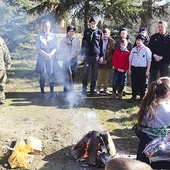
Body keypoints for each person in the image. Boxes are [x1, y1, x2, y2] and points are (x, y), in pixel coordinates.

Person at [135, 76, 170, 169]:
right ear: (168, 94)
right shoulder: (168, 110)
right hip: (161, 152)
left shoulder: (146, 107)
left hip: (144, 148)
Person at [81, 16, 104, 97]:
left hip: (96, 57)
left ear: (96, 23)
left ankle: (92, 91)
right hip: (87, 56)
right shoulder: (87, 31)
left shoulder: (99, 32)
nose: (93, 25)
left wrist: (101, 56)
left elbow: (101, 45)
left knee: (94, 75)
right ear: (89, 23)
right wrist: (82, 54)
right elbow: (83, 43)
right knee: (85, 74)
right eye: (91, 23)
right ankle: (83, 90)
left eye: (94, 23)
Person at [35, 20, 58, 99]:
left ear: (50, 27)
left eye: (48, 26)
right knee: (42, 75)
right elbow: (38, 48)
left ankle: (52, 93)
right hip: (42, 57)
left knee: (51, 75)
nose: (47, 28)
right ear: (43, 27)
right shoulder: (39, 36)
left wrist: (50, 54)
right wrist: (46, 54)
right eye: (45, 26)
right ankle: (42, 93)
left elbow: (55, 47)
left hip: (51, 57)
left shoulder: (53, 36)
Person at [128, 34, 152, 103]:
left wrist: (147, 70)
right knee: (134, 82)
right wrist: (129, 69)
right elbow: (130, 60)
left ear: (143, 41)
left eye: (139, 40)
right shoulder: (133, 49)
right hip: (134, 68)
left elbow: (149, 61)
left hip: (143, 69)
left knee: (143, 83)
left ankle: (142, 97)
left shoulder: (147, 50)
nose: (137, 42)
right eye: (136, 40)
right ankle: (134, 96)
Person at [59, 25, 80, 93]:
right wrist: (66, 56)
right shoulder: (64, 40)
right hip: (65, 59)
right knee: (66, 75)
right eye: (70, 31)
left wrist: (71, 56)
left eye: (73, 31)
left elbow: (78, 51)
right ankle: (65, 91)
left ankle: (71, 90)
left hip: (73, 59)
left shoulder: (76, 40)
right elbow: (61, 50)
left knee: (72, 75)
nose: (71, 33)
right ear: (67, 32)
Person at [96, 28, 115, 95]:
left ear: (109, 34)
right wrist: (100, 58)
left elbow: (112, 53)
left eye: (106, 34)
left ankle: (105, 88)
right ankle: (98, 87)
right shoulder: (99, 40)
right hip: (100, 61)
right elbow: (97, 50)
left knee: (106, 76)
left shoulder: (111, 42)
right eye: (104, 34)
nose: (105, 35)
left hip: (108, 62)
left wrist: (107, 60)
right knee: (100, 75)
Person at [0, 37, 11, 104]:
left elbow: (6, 51)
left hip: (1, 66)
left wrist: (8, 63)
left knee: (2, 83)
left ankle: (1, 98)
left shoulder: (1, 40)